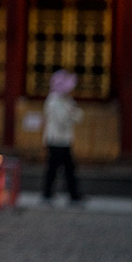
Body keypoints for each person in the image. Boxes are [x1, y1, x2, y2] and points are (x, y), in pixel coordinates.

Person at [43, 68, 85, 204]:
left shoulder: (67, 100)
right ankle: (49, 193)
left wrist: (71, 113)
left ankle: (71, 194)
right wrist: (71, 113)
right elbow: (62, 120)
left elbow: (79, 116)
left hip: (65, 140)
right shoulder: (53, 101)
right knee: (55, 169)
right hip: (55, 140)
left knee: (68, 169)